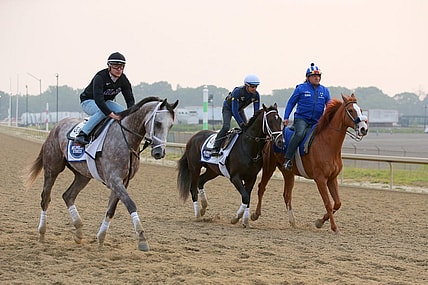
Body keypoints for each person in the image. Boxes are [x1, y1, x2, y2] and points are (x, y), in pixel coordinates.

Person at [75, 52, 135, 145]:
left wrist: (131, 114)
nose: (119, 69)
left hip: (106, 102)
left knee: (123, 113)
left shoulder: (123, 79)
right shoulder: (100, 77)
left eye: (122, 66)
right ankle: (82, 134)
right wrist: (111, 114)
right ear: (109, 66)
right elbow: (99, 100)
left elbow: (130, 99)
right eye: (116, 66)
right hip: (89, 101)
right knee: (103, 112)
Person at [283, 63, 331, 170]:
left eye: (319, 76)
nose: (317, 78)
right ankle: (288, 159)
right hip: (302, 119)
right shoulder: (300, 89)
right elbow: (291, 103)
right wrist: (286, 117)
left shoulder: (325, 90)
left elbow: (329, 106)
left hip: (317, 121)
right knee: (299, 134)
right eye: (314, 76)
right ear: (308, 77)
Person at [211, 74, 261, 156]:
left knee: (247, 129)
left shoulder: (256, 95)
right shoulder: (238, 92)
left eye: (256, 86)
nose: (254, 89)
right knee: (226, 127)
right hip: (229, 108)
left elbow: (256, 112)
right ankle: (215, 147)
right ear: (246, 85)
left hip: (240, 110)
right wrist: (241, 123)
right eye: (252, 86)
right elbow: (234, 111)